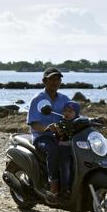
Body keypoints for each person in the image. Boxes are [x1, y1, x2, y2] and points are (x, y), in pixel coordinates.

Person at [27, 67, 71, 200]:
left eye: (58, 79)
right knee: (53, 150)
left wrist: (91, 119)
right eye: (52, 79)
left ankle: (69, 184)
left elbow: (73, 114)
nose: (55, 82)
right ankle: (53, 187)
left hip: (61, 135)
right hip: (42, 137)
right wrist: (48, 128)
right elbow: (33, 123)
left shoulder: (64, 99)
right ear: (44, 81)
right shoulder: (38, 99)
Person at [47, 100, 82, 197]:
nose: (67, 113)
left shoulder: (80, 122)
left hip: (77, 148)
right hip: (64, 148)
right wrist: (56, 129)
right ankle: (64, 189)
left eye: (70, 111)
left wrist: (98, 120)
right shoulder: (61, 123)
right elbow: (60, 133)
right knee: (65, 165)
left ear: (76, 113)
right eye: (65, 111)